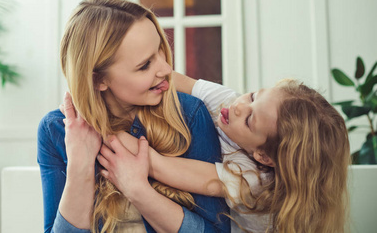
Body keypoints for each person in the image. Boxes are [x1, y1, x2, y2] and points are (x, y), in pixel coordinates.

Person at [37, 0, 230, 233]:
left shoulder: (189, 116)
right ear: (99, 80)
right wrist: (80, 165)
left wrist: (138, 191)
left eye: (160, 50)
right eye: (145, 65)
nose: (167, 69)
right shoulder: (55, 130)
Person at [98, 73, 350, 233]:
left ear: (264, 156)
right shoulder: (232, 102)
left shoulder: (255, 181)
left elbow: (160, 166)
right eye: (253, 96)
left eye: (250, 120)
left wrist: (104, 130)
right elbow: (168, 79)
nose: (240, 107)